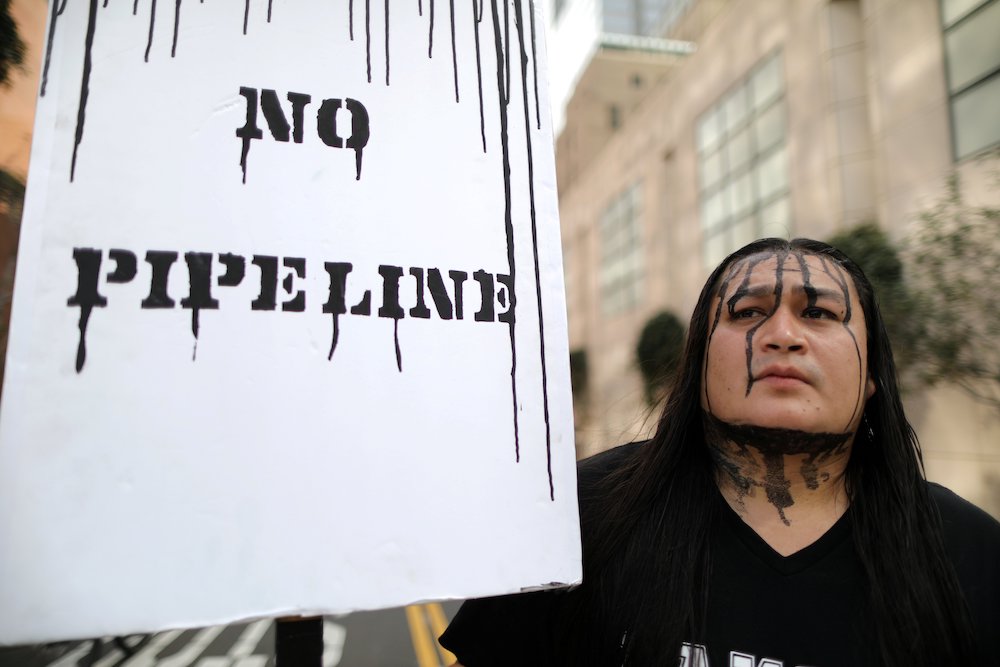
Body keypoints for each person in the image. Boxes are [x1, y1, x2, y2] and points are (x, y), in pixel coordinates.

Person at [439, 237, 1000, 667]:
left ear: (873, 373)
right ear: (700, 365)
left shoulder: (972, 554)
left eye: (820, 314)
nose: (783, 334)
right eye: (747, 312)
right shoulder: (576, 518)